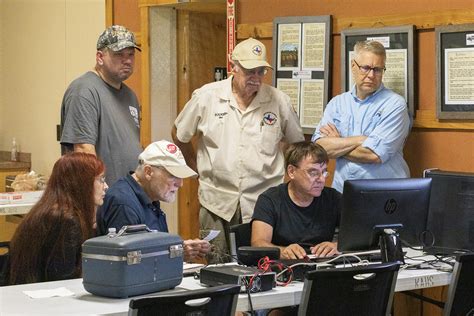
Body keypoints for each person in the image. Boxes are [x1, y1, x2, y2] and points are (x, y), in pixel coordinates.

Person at [172, 37, 305, 263]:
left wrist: (288, 178)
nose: (256, 78)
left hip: (263, 203)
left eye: (261, 71)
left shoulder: (278, 101)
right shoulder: (207, 96)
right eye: (249, 71)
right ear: (233, 67)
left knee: (261, 267)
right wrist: (193, 166)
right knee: (218, 266)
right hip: (216, 201)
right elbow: (179, 134)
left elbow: (297, 144)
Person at [312, 40, 411, 193]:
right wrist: (361, 140)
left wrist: (338, 143)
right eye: (365, 68)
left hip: (384, 196)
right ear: (353, 66)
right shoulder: (337, 103)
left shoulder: (395, 104)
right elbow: (319, 148)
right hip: (342, 192)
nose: (371, 75)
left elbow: (374, 154)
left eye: (377, 69)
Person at [96, 140, 210, 262]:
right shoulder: (124, 204)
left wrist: (178, 249)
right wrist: (176, 253)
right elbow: (131, 264)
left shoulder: (150, 197)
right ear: (148, 172)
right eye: (173, 176)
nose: (181, 184)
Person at [60, 25, 142, 186]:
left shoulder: (130, 96)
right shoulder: (84, 90)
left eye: (131, 54)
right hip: (101, 199)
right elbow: (83, 150)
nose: (127, 60)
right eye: (119, 54)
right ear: (100, 57)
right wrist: (101, 193)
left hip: (127, 199)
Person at [8, 153, 108, 285]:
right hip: (40, 298)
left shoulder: (54, 209)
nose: (106, 186)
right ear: (81, 182)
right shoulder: (65, 220)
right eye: (100, 180)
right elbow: (63, 279)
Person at [251, 141, 341, 260]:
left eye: (324, 172)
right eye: (313, 172)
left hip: (322, 266)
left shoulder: (333, 198)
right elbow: (258, 243)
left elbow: (359, 236)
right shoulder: (270, 199)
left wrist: (337, 246)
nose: (321, 179)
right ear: (291, 171)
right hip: (283, 266)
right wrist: (282, 251)